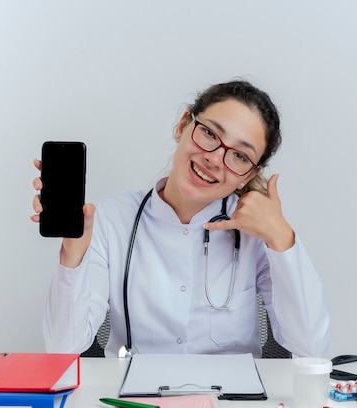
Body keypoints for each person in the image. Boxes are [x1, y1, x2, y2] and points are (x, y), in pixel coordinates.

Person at [31, 79, 329, 358]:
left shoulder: (258, 233)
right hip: (136, 397)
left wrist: (281, 237)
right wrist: (72, 253)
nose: (214, 158)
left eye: (240, 156)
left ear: (249, 174)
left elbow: (310, 347)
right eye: (210, 134)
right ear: (183, 125)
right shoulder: (110, 219)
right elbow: (63, 348)